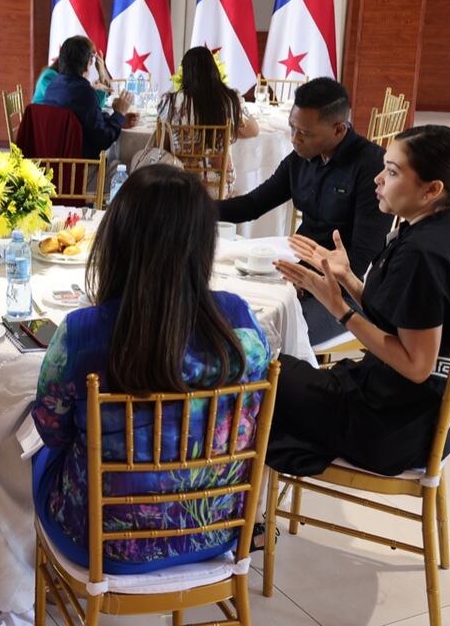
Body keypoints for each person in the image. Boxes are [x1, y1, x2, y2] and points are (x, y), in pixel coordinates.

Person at [32, 164, 272, 571]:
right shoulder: (240, 322)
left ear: (116, 240)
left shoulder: (81, 334)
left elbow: (51, 431)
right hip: (214, 527)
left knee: (30, 449)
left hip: (103, 541)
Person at [271, 124, 450, 477]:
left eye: (392, 172)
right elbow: (396, 316)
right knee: (274, 368)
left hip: (388, 425)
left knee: (261, 375)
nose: (378, 179)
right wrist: (347, 277)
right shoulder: (433, 229)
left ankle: (234, 500)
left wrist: (340, 309)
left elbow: (416, 365)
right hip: (395, 404)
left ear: (432, 189)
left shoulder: (423, 255)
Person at [217, 78, 391, 344]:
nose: (294, 139)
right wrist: (193, 206)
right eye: (292, 128)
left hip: (347, 291)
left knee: (268, 335)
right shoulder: (301, 159)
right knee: (228, 313)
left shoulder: (371, 167)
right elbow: (252, 205)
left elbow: (361, 258)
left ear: (339, 129)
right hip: (299, 268)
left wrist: (309, 285)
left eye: (305, 133)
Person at [161, 46, 259, 190]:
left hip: (179, 184)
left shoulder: (169, 101)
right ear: (214, 69)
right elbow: (254, 131)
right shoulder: (230, 99)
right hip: (220, 184)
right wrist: (228, 130)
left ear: (185, 73)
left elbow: (163, 145)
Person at [40, 36, 133, 159]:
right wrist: (119, 113)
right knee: (123, 163)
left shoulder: (53, 86)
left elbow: (85, 120)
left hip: (53, 160)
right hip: (79, 165)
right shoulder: (84, 92)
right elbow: (104, 140)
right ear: (89, 63)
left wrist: (118, 119)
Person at [32, 51, 112, 107]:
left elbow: (96, 108)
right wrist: (90, 90)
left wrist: (102, 75)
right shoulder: (49, 76)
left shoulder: (72, 81)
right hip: (43, 123)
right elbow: (66, 101)